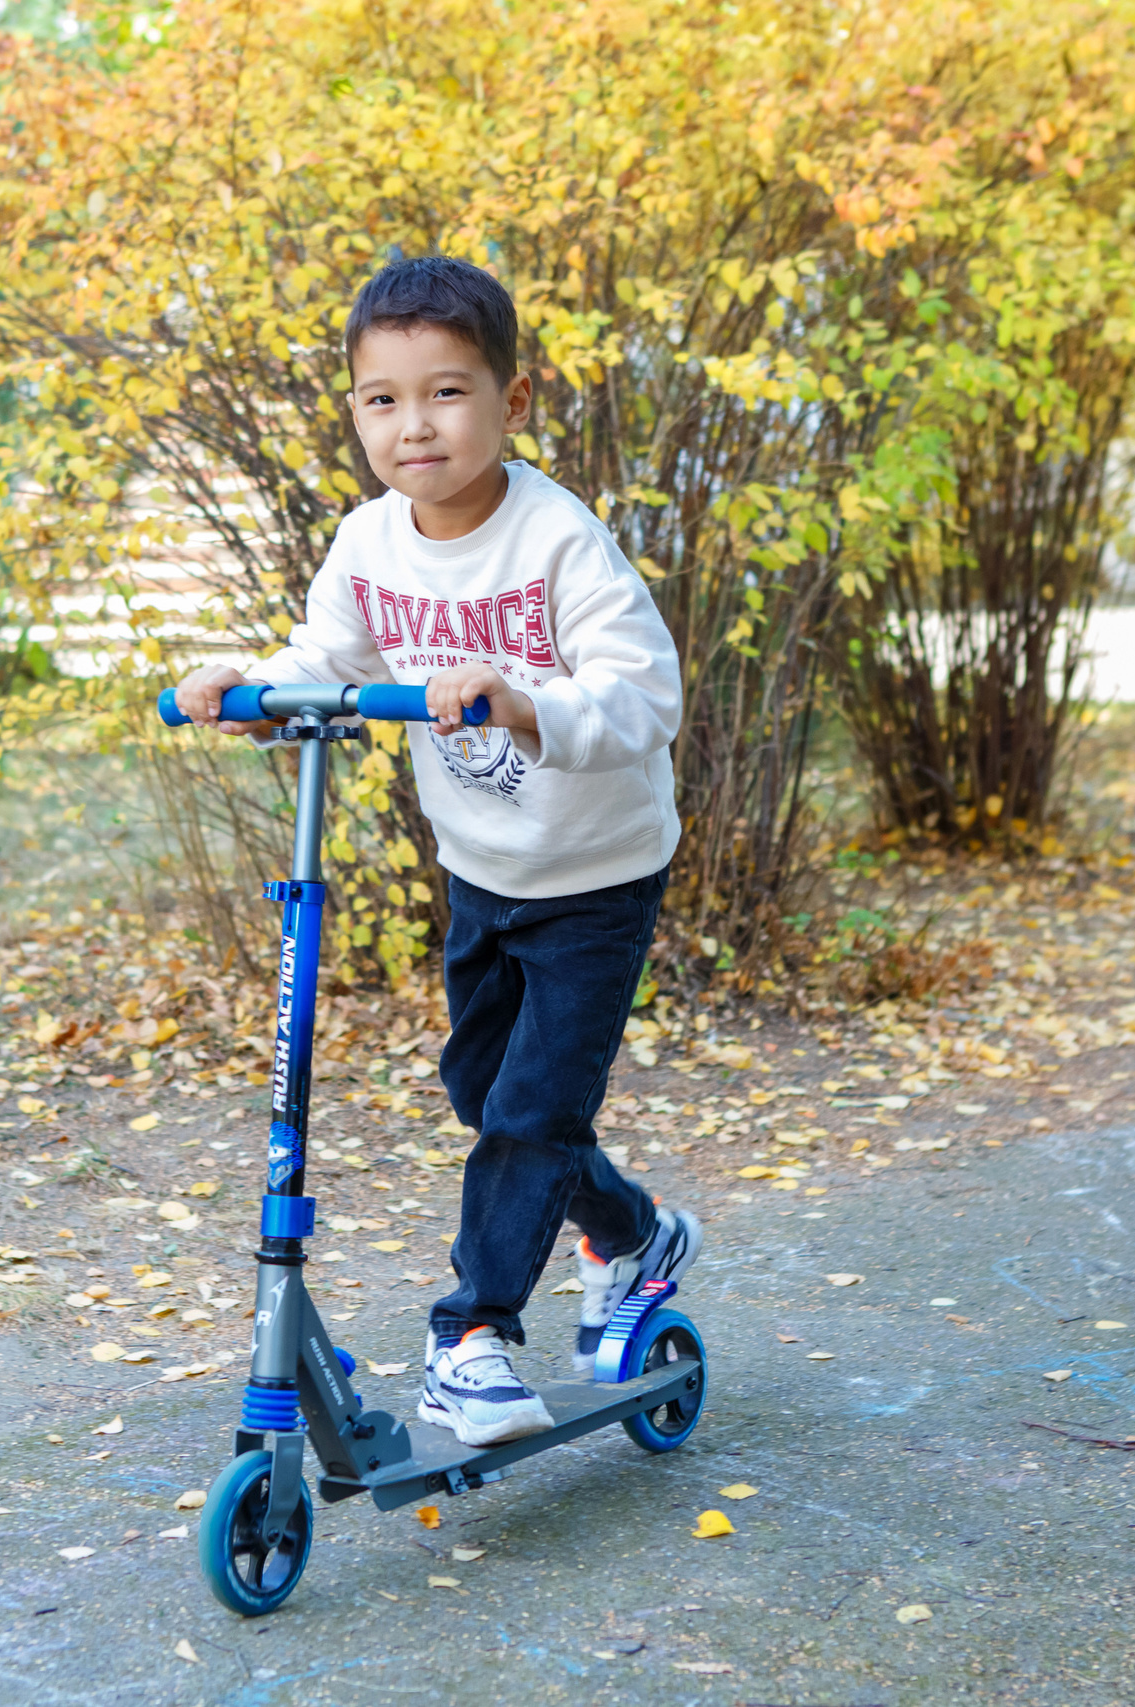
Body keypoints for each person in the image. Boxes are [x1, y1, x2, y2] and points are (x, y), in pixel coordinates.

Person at [174, 255, 702, 1448]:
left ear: (512, 403)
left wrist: (523, 700)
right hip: (482, 870)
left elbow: (643, 695)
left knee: (530, 1110)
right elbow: (326, 661)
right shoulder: (369, 544)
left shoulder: (557, 540)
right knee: (484, 1093)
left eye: (447, 393)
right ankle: (632, 1234)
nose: (414, 425)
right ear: (357, 411)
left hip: (595, 875)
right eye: (384, 399)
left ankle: (473, 1337)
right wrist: (248, 689)